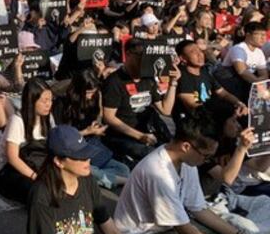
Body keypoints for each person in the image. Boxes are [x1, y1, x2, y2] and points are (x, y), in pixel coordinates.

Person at [113, 110, 268, 234]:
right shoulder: (158, 173)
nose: (206, 161)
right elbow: (187, 231)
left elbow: (200, 209)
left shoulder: (187, 162)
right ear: (186, 146)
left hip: (170, 225)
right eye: (206, 156)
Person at [18, 126, 141, 234]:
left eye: (87, 153)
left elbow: (112, 232)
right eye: (80, 156)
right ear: (59, 161)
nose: (87, 159)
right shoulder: (42, 195)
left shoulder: (87, 180)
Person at [102, 38, 178, 168]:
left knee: (174, 153)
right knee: (156, 159)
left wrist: (173, 83)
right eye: (140, 55)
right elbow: (109, 117)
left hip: (148, 132)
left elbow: (166, 110)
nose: (144, 60)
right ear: (129, 54)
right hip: (123, 136)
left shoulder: (148, 79)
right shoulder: (115, 81)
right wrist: (139, 136)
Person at [60, 69, 130, 189]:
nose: (91, 95)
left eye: (93, 92)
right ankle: (107, 178)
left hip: (92, 144)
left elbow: (97, 118)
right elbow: (62, 137)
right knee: (90, 171)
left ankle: (104, 178)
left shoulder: (95, 98)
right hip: (74, 148)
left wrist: (97, 126)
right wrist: (86, 132)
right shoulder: (63, 104)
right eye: (88, 92)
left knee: (124, 170)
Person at [0, 81, 55, 204]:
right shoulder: (17, 120)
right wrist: (36, 177)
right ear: (31, 101)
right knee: (39, 192)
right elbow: (13, 158)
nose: (48, 104)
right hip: (7, 171)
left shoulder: (48, 117)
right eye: (44, 101)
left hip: (34, 162)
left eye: (51, 100)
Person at [174, 39, 247, 122]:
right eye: (193, 52)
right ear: (183, 58)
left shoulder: (204, 71)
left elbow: (223, 93)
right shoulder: (182, 77)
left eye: (200, 50)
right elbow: (192, 105)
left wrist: (238, 103)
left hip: (210, 115)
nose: (199, 54)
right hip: (195, 123)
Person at [221, 21, 268, 102]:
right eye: (260, 35)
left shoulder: (259, 52)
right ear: (248, 35)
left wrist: (261, 84)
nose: (263, 38)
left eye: (265, 35)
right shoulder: (238, 49)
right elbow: (242, 71)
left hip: (248, 84)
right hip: (231, 84)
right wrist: (259, 85)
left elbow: (263, 73)